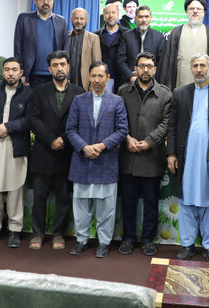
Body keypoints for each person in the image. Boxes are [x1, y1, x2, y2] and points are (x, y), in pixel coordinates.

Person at [167, 53, 209, 263]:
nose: (199, 69)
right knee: (186, 199)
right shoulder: (180, 93)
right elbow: (172, 126)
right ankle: (187, 244)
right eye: (195, 66)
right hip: (186, 157)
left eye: (203, 65)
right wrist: (172, 153)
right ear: (191, 69)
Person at [66, 62, 128, 258]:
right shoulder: (79, 100)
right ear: (89, 77)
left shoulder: (117, 101)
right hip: (82, 161)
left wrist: (101, 146)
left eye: (101, 76)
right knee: (81, 207)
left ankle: (103, 242)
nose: (97, 80)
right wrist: (84, 147)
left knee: (106, 209)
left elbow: (122, 130)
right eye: (93, 76)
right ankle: (81, 240)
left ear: (108, 78)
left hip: (105, 161)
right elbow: (70, 129)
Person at [27, 51, 84, 251]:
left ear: (68, 67)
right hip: (43, 152)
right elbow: (33, 118)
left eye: (63, 64)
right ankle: (38, 233)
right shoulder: (39, 91)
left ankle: (58, 233)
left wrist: (63, 140)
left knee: (62, 198)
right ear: (49, 68)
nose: (59, 68)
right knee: (39, 198)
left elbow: (79, 122)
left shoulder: (79, 92)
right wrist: (51, 139)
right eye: (55, 65)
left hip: (67, 154)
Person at [117, 52, 172, 256]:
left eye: (149, 66)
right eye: (142, 66)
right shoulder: (123, 91)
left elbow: (166, 123)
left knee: (150, 203)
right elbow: (118, 119)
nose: (146, 70)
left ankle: (148, 239)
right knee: (128, 201)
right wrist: (127, 138)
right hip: (128, 155)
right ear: (136, 69)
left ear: (155, 69)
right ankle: (129, 238)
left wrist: (149, 142)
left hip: (152, 157)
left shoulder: (165, 94)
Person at [0, 58, 32, 248]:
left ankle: (14, 230)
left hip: (16, 145)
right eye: (7, 69)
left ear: (21, 72)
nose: (10, 73)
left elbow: (30, 120)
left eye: (14, 70)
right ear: (3, 72)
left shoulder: (28, 93)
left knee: (16, 188)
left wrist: (7, 127)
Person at [157, 0, 209, 89]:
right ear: (186, 11)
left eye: (198, 9)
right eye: (191, 9)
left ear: (204, 12)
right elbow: (167, 63)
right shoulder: (176, 32)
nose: (195, 11)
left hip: (205, 87)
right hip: (180, 86)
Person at [14, 0, 69, 86]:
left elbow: (65, 50)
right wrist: (20, 72)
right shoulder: (24, 19)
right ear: (35, 1)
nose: (46, 2)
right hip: (31, 75)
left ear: (53, 1)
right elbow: (18, 47)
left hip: (54, 74)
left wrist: (67, 75)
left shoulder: (61, 21)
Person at [117, 6, 166, 84]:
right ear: (136, 18)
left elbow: (161, 62)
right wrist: (131, 77)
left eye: (146, 17)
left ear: (151, 18)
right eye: (140, 17)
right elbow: (120, 60)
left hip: (152, 82)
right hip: (129, 82)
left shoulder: (159, 37)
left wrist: (151, 77)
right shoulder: (126, 36)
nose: (144, 20)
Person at [94, 2, 128, 93]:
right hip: (102, 79)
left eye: (113, 12)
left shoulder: (128, 34)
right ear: (104, 16)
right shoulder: (96, 35)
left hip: (122, 79)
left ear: (118, 14)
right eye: (107, 13)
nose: (111, 15)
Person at [68, 8, 101, 90]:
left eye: (82, 18)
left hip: (85, 85)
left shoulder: (94, 38)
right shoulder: (65, 37)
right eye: (76, 18)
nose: (79, 21)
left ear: (87, 20)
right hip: (67, 84)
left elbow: (97, 64)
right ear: (71, 19)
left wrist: (92, 86)